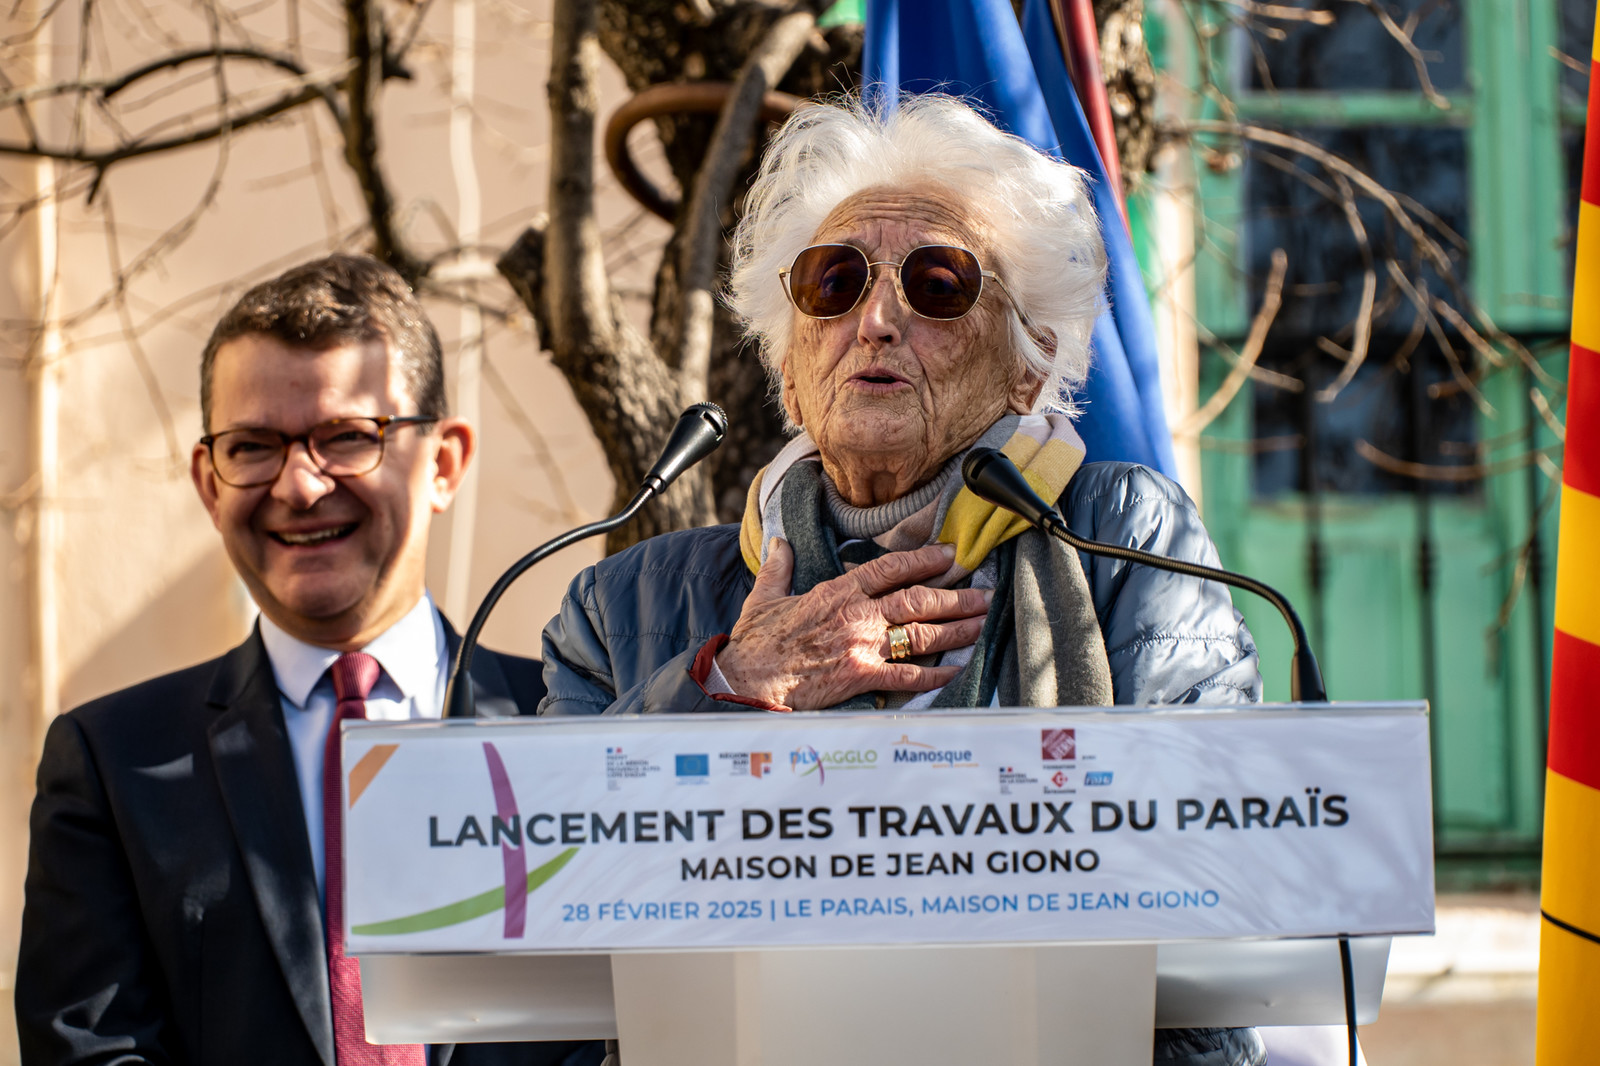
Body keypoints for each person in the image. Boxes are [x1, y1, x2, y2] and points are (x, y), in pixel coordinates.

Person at [538, 96, 1265, 1065]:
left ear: (1027, 363)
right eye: (833, 283)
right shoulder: (621, 605)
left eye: (937, 284)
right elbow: (545, 892)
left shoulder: (1122, 541)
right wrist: (728, 689)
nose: (876, 320)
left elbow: (1215, 876)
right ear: (790, 371)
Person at [16, 254, 599, 1066]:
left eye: (347, 438)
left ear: (444, 462)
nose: (298, 484)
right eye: (253, 446)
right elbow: (89, 1049)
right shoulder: (113, 764)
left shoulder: (573, 732)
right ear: (207, 482)